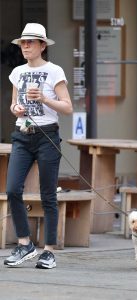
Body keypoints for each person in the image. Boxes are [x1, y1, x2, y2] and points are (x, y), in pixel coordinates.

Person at [4, 23, 73, 269]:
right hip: (22, 134)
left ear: (42, 45)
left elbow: (67, 107)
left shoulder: (54, 71)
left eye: (30, 42)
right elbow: (13, 105)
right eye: (23, 42)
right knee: (12, 189)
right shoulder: (17, 72)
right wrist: (17, 109)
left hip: (47, 137)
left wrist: (44, 99)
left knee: (48, 195)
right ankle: (25, 244)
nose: (25, 46)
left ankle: (49, 251)